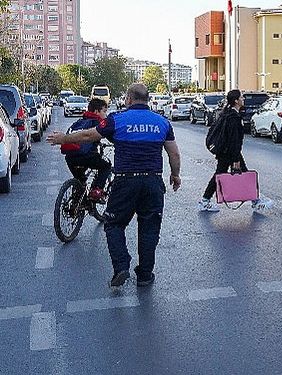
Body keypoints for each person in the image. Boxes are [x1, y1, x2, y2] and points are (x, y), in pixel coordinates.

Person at [47, 83, 182, 288]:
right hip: (153, 183)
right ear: (147, 99)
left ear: (128, 98)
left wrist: (63, 138)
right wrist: (175, 174)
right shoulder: (162, 122)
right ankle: (145, 275)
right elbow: (174, 153)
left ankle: (121, 267)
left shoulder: (117, 120)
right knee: (149, 228)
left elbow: (87, 135)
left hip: (125, 182)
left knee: (114, 224)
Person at [199, 90, 272, 212]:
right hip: (231, 153)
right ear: (236, 101)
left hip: (226, 152)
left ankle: (205, 200)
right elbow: (234, 139)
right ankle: (255, 202)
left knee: (221, 173)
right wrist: (236, 159)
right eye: (241, 97)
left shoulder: (227, 114)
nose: (243, 99)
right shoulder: (234, 117)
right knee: (243, 175)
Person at [62, 98, 112, 201]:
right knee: (106, 167)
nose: (105, 115)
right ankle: (96, 191)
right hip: (86, 156)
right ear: (96, 112)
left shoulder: (79, 122)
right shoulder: (97, 123)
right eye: (104, 111)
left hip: (70, 157)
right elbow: (109, 136)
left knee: (81, 180)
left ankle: (76, 203)